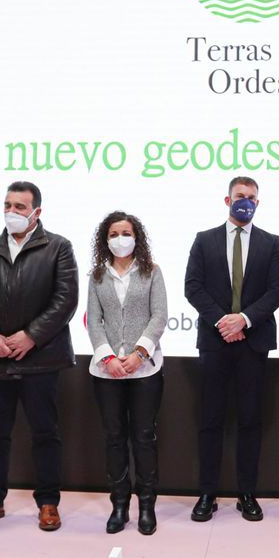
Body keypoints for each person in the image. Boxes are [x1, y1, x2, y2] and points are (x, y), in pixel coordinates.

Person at [0, 181, 78, 532]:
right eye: (8, 205)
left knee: (46, 433)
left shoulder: (58, 247)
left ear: (37, 212)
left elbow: (65, 299)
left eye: (20, 207)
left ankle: (49, 503)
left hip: (41, 359)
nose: (12, 212)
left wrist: (32, 336)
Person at [184, 176, 279, 522]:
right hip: (214, 343)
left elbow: (276, 291)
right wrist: (223, 322)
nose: (246, 202)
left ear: (258, 203)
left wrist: (243, 320)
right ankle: (207, 492)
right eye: (240, 196)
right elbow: (192, 288)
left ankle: (247, 493)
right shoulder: (204, 240)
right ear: (227, 201)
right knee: (210, 420)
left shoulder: (271, 243)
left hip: (253, 343)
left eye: (252, 198)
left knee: (250, 421)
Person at [85, 211, 168, 535]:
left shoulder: (152, 272)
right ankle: (119, 506)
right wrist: (109, 358)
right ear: (105, 240)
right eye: (114, 233)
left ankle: (147, 505)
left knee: (144, 438)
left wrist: (139, 354)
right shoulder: (97, 275)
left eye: (126, 232)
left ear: (137, 237)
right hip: (107, 372)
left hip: (145, 370)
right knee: (114, 438)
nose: (120, 238)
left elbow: (159, 315)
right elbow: (94, 321)